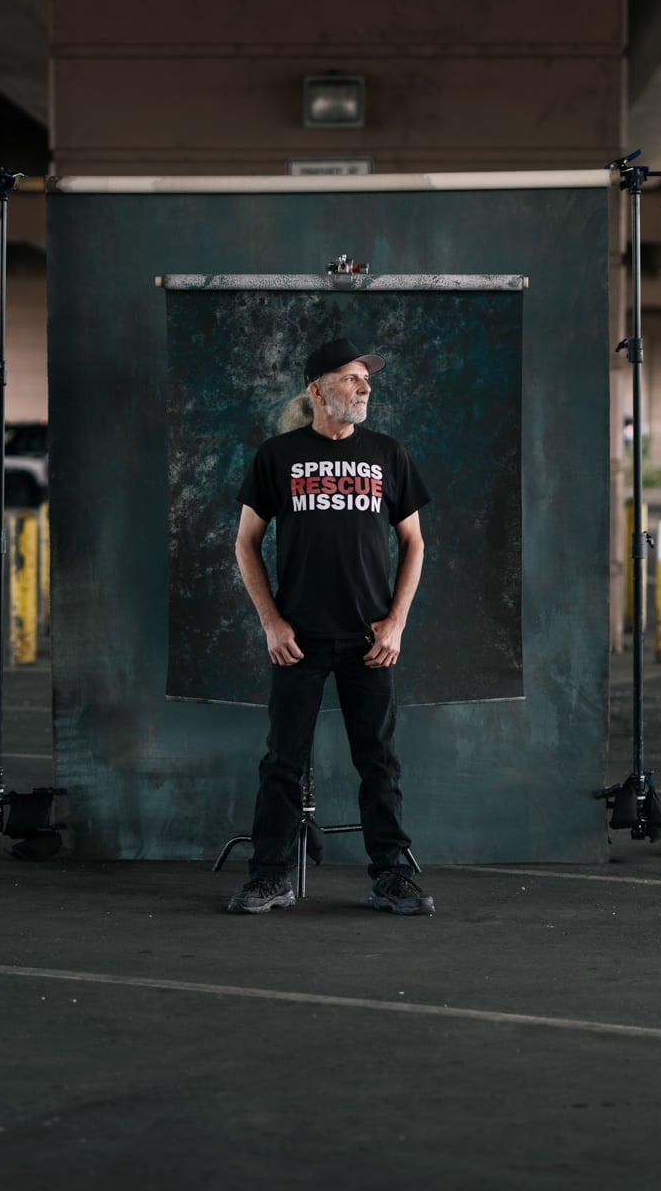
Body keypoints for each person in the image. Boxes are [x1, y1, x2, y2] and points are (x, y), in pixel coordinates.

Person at [228, 337, 433, 915]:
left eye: (366, 379)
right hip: (299, 640)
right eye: (350, 377)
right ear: (317, 389)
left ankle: (391, 875)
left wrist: (395, 623)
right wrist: (272, 623)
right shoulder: (278, 456)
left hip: (370, 641)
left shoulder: (388, 454)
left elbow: (414, 542)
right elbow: (246, 542)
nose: (365, 386)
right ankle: (270, 876)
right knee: (282, 762)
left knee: (379, 762)